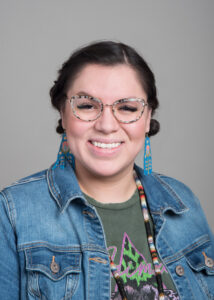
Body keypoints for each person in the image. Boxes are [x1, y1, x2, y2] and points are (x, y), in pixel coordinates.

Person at [0, 41, 214, 300]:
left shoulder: (183, 203)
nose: (107, 125)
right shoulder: (13, 212)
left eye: (127, 108)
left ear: (147, 118)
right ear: (63, 113)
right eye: (87, 105)